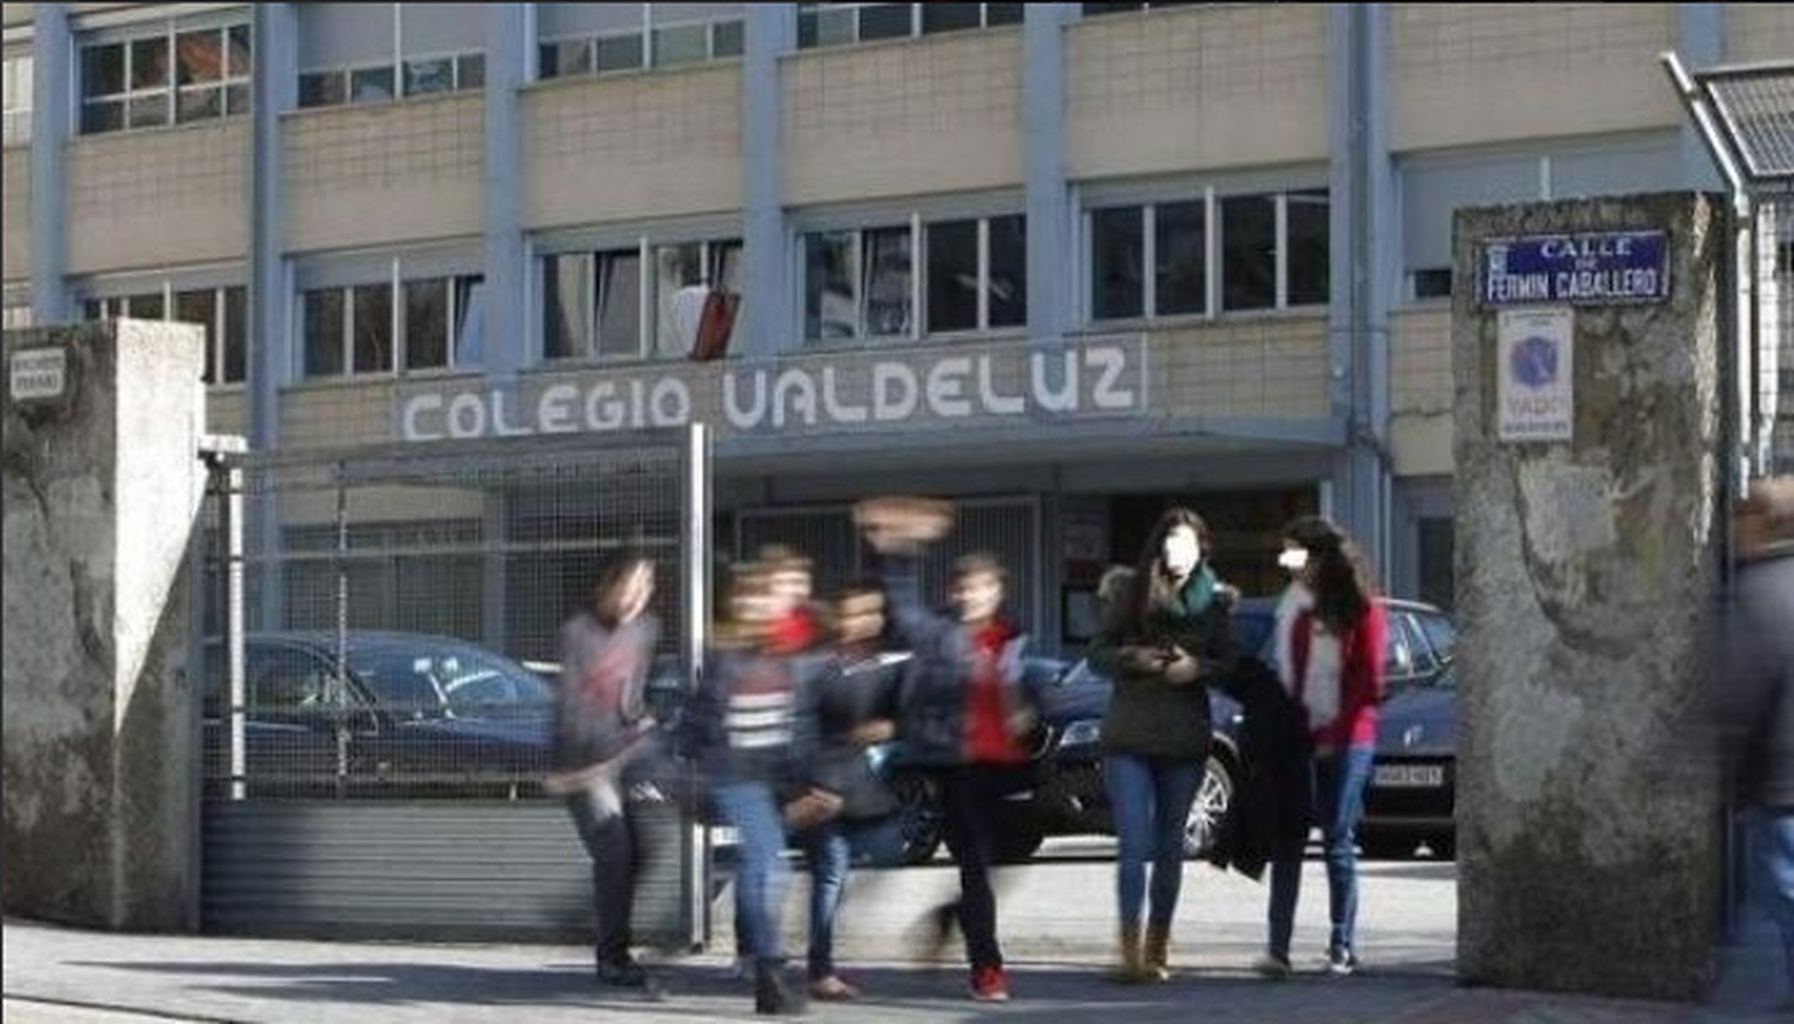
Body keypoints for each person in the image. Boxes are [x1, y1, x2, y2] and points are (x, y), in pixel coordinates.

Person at [856, 497, 1045, 1003]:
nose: (971, 596)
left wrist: (1026, 710)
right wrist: (897, 551)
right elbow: (900, 612)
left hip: (1009, 767)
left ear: (996, 591)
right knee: (977, 868)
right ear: (953, 592)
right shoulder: (938, 634)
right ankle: (987, 969)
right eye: (963, 588)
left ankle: (948, 917)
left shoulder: (1012, 636)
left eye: (981, 587)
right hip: (957, 764)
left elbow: (1026, 690)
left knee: (1006, 860)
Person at [1088, 508, 1238, 983]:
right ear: (1158, 547)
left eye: (1188, 544)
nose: (1178, 553)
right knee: (1133, 844)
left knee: (1171, 846)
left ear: (1202, 551)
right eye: (1171, 542)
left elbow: (1231, 662)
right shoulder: (1131, 592)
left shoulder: (1214, 603)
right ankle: (1129, 947)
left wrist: (1197, 669)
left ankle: (1158, 944)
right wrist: (1133, 657)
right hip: (1129, 734)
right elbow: (1096, 654)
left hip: (1183, 737)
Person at [686, 563, 825, 1016]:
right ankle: (767, 969)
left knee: (762, 866)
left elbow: (798, 725)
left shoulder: (785, 657)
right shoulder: (726, 656)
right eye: (747, 601)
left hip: (771, 781)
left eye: (763, 600)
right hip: (732, 776)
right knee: (768, 865)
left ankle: (763, 964)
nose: (755, 608)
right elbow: (700, 720)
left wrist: (803, 783)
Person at [1258, 516, 1387, 979]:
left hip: (1350, 737)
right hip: (1300, 735)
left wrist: (1333, 735)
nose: (1289, 564)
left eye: (1296, 553)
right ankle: (1277, 948)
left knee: (1336, 837)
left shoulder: (1361, 609)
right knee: (1287, 839)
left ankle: (1342, 945)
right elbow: (1288, 676)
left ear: (1321, 557)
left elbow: (1368, 682)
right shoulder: (1297, 610)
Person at [547, 556, 664, 994]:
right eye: (630, 587)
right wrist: (571, 769)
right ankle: (613, 957)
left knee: (644, 848)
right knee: (615, 851)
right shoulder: (578, 632)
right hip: (583, 762)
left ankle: (588, 918)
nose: (637, 598)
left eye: (646, 587)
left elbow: (632, 693)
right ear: (607, 585)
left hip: (627, 755)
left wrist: (642, 722)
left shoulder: (646, 629)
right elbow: (571, 707)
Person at [795, 582, 906, 1001]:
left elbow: (900, 715)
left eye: (869, 613)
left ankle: (822, 948)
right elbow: (801, 732)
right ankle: (819, 969)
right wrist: (811, 788)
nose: (859, 621)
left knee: (885, 853)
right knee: (830, 875)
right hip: (821, 788)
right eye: (852, 612)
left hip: (860, 789)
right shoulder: (816, 667)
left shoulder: (882, 666)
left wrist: (888, 727)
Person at [1717, 478, 1794, 1009]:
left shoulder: (1762, 590)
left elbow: (1738, 691)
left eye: (1740, 519)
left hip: (1778, 784)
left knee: (1780, 892)